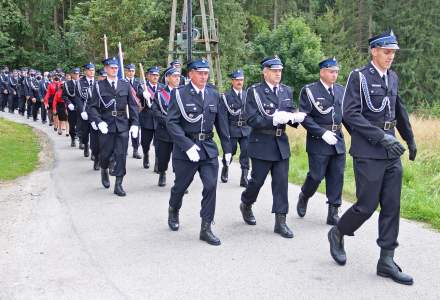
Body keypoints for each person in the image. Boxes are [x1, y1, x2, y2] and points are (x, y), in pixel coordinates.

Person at [327, 30, 417, 285]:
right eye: (386, 52)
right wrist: (380, 137)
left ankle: (386, 261)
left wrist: (409, 139)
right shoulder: (359, 77)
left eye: (393, 53)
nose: (390, 57)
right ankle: (338, 232)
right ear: (374, 51)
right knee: (366, 206)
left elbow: (398, 110)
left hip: (391, 152)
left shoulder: (393, 77)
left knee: (391, 205)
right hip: (368, 151)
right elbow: (350, 114)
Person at [166, 59, 231, 245]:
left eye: (206, 73)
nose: (204, 76)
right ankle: (173, 208)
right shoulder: (180, 94)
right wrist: (186, 145)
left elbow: (221, 123)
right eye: (200, 73)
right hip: (186, 149)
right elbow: (171, 122)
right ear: (191, 74)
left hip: (208, 148)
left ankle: (206, 227)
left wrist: (227, 149)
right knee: (180, 186)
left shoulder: (213, 94)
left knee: (211, 186)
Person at [240, 56, 306, 238]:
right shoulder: (254, 92)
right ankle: (246, 202)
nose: (278, 74)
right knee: (256, 182)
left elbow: (290, 111)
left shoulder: (285, 91)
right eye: (274, 70)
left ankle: (280, 221)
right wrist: (273, 120)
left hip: (280, 143)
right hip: (261, 142)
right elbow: (251, 119)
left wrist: (295, 118)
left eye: (280, 71)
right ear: (265, 72)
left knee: (281, 183)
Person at [297, 58, 346, 225]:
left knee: (337, 175)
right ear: (322, 72)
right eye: (331, 72)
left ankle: (333, 211)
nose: (335, 75)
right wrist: (322, 133)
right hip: (319, 140)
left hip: (337, 138)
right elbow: (305, 117)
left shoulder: (340, 90)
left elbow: (345, 116)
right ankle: (304, 195)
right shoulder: (309, 91)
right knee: (316, 176)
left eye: (336, 72)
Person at [88, 57, 140, 196]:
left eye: (116, 67)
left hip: (122, 124)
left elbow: (133, 105)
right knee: (105, 154)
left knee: (121, 155)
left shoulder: (125, 85)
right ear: (105, 69)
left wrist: (135, 123)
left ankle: (118, 184)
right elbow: (92, 107)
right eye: (111, 67)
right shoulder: (99, 86)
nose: (114, 70)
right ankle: (104, 169)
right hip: (107, 124)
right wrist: (99, 122)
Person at [220, 69, 251, 187]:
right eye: (237, 80)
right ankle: (226, 167)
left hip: (246, 129)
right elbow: (222, 118)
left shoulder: (248, 95)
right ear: (232, 81)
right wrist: (225, 133)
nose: (239, 82)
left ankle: (244, 176)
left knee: (246, 152)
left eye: (241, 80)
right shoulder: (226, 96)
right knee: (230, 152)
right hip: (232, 129)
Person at [151, 66, 180, 187]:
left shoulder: (183, 93)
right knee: (163, 156)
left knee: (179, 159)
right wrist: (168, 122)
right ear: (167, 78)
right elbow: (156, 112)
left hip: (179, 132)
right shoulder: (160, 94)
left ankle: (179, 180)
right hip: (164, 131)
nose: (177, 78)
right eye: (174, 76)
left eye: (178, 76)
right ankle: (162, 172)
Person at [140, 66, 164, 170]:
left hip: (159, 119)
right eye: (153, 75)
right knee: (146, 142)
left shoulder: (162, 87)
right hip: (147, 118)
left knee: (159, 143)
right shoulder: (143, 86)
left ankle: (158, 163)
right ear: (148, 76)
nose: (155, 77)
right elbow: (137, 96)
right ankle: (146, 155)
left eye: (157, 75)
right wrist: (142, 95)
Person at [76, 63, 96, 156]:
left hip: (94, 112)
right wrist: (82, 111)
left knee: (94, 132)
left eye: (93, 70)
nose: (92, 72)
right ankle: (86, 145)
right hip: (84, 110)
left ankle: (93, 151)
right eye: (90, 70)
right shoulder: (80, 83)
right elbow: (78, 98)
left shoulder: (97, 83)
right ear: (85, 71)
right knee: (85, 132)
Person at [124, 63, 143, 159]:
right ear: (125, 71)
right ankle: (124, 149)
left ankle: (135, 150)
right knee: (124, 130)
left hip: (135, 110)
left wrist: (144, 93)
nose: (131, 73)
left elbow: (139, 94)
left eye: (132, 71)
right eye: (129, 71)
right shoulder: (122, 82)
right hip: (125, 109)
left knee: (136, 130)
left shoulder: (138, 82)